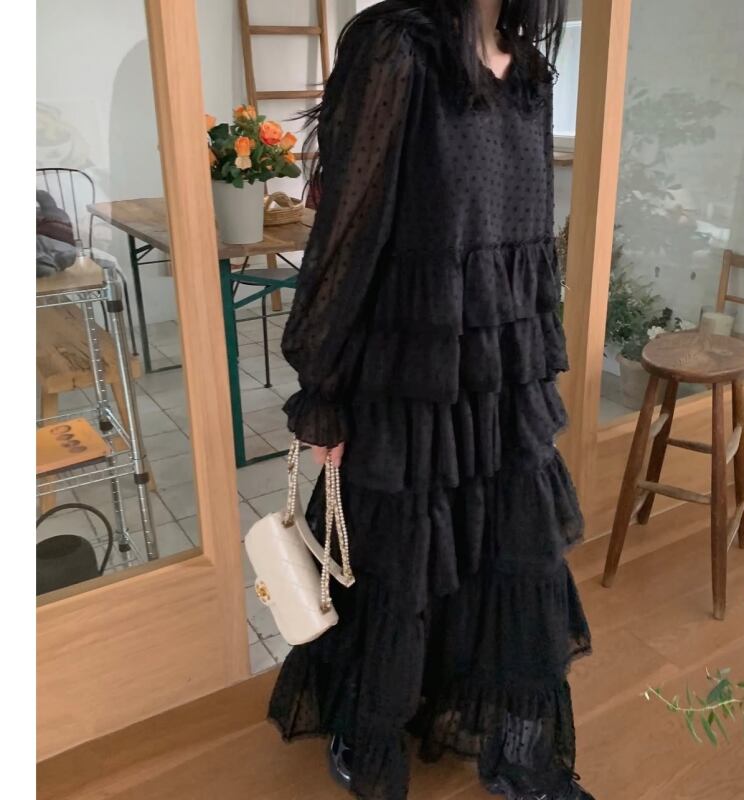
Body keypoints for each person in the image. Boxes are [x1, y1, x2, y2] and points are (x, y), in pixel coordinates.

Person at [267, 1, 593, 798]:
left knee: (508, 546)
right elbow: (348, 228)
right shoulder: (396, 49)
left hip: (501, 370)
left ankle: (510, 744)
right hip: (410, 370)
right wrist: (323, 384)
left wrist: (528, 353)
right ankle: (373, 729)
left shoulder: (531, 70)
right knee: (399, 558)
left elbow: (529, 243)